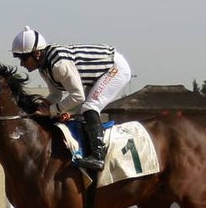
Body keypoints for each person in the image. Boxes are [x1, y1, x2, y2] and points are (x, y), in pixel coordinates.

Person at [9, 26, 132, 172]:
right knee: (81, 113)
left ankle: (98, 156)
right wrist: (42, 106)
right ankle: (86, 152)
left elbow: (77, 96)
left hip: (114, 68)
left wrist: (51, 110)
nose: (21, 64)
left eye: (23, 58)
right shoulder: (44, 67)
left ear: (36, 53)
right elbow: (56, 95)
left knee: (89, 107)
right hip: (98, 73)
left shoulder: (58, 65)